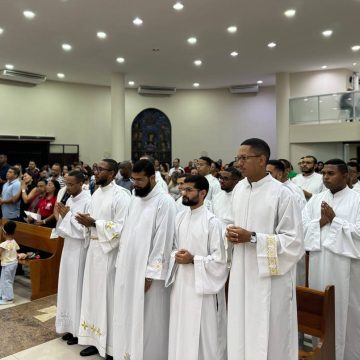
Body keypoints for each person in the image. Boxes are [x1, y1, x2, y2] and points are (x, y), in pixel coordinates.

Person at [226, 138, 304, 360]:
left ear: (261, 160)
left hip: (270, 279)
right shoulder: (240, 189)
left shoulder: (282, 194)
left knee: (269, 335)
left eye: (243, 158)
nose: (238, 163)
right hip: (242, 273)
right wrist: (229, 234)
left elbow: (294, 242)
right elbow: (232, 222)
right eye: (237, 158)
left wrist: (252, 238)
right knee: (241, 328)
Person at [113, 159, 176, 360]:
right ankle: (129, 353)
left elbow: (163, 241)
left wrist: (150, 274)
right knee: (129, 313)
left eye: (140, 180)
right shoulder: (135, 197)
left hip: (149, 273)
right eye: (133, 179)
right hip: (129, 267)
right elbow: (127, 233)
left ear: (152, 177)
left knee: (150, 318)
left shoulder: (164, 202)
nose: (135, 184)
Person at [303, 159, 360, 360]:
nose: (325, 177)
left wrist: (335, 221)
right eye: (324, 173)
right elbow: (301, 230)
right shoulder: (316, 199)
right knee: (322, 308)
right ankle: (320, 353)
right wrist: (321, 221)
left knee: (347, 311)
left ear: (346, 176)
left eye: (331, 174)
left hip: (347, 268)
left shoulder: (357, 200)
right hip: (319, 264)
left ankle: (348, 355)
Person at [166, 175, 228, 360]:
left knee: (203, 333)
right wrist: (175, 256)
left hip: (203, 289)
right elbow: (172, 248)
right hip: (181, 285)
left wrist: (194, 260)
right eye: (183, 189)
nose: (183, 193)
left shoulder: (213, 223)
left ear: (203, 193)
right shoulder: (179, 218)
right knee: (181, 329)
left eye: (189, 190)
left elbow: (220, 261)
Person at [76, 159, 130, 359]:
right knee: (92, 296)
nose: (95, 172)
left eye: (100, 170)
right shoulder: (96, 193)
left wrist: (94, 222)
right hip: (93, 250)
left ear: (113, 173)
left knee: (107, 298)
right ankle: (93, 339)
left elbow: (122, 227)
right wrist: (85, 222)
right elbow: (93, 219)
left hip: (109, 252)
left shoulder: (122, 196)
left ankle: (110, 346)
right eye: (95, 168)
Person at [55, 171, 91, 346]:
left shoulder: (88, 200)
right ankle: (69, 327)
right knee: (67, 286)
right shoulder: (69, 200)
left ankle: (78, 330)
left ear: (80, 184)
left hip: (79, 250)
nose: (67, 188)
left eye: (70, 185)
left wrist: (67, 216)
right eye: (66, 185)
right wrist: (63, 216)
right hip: (68, 248)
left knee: (76, 288)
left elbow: (84, 230)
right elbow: (63, 226)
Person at [266, 159, 307, 285]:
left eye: (269, 173)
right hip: (269, 243)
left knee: (290, 284)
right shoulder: (266, 189)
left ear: (279, 174)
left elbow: (299, 220)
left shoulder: (292, 191)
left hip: (286, 244)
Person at [0, 221, 20, 305]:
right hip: (14, 264)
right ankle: (3, 294)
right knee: (7, 280)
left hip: (7, 265)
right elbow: (16, 251)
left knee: (6, 281)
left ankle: (8, 299)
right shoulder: (14, 242)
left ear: (4, 233)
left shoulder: (4, 244)